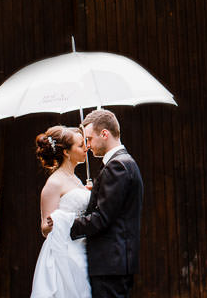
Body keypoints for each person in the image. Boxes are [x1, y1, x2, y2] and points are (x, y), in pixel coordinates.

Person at [69, 109, 143, 298]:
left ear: (104, 134)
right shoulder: (124, 163)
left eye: (89, 139)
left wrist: (68, 223)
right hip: (116, 263)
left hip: (110, 264)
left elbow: (102, 218)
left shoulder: (117, 166)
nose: (88, 145)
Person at [30, 125, 91, 298]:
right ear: (66, 152)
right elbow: (44, 228)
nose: (86, 148)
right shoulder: (54, 183)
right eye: (81, 145)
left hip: (82, 249)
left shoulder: (76, 178)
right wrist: (55, 222)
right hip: (65, 253)